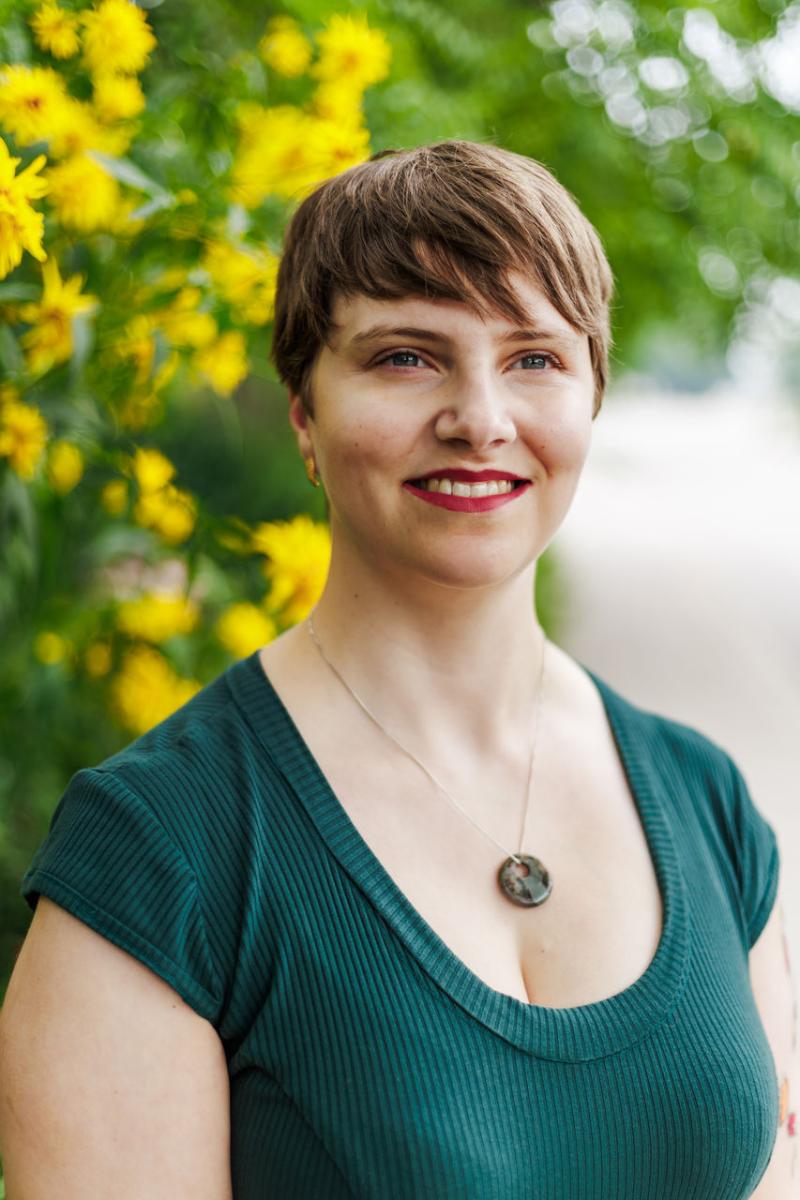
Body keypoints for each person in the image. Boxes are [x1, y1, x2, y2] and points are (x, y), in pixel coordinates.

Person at [0, 140, 795, 1200]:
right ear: (304, 416)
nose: (479, 419)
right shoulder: (161, 851)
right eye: (404, 357)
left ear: (589, 397)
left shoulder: (708, 807)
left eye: (534, 358)